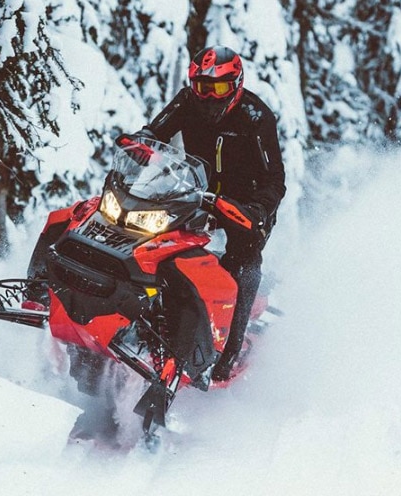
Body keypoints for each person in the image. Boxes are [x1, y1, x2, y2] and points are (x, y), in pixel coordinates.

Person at [118, 46, 285, 382]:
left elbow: (274, 179)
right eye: (202, 87)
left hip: (243, 207)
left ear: (236, 85)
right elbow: (156, 131)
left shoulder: (256, 117)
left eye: (218, 88)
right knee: (150, 236)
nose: (209, 97)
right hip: (194, 191)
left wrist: (258, 211)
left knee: (243, 262)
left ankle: (226, 354)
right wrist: (141, 145)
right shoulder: (187, 102)